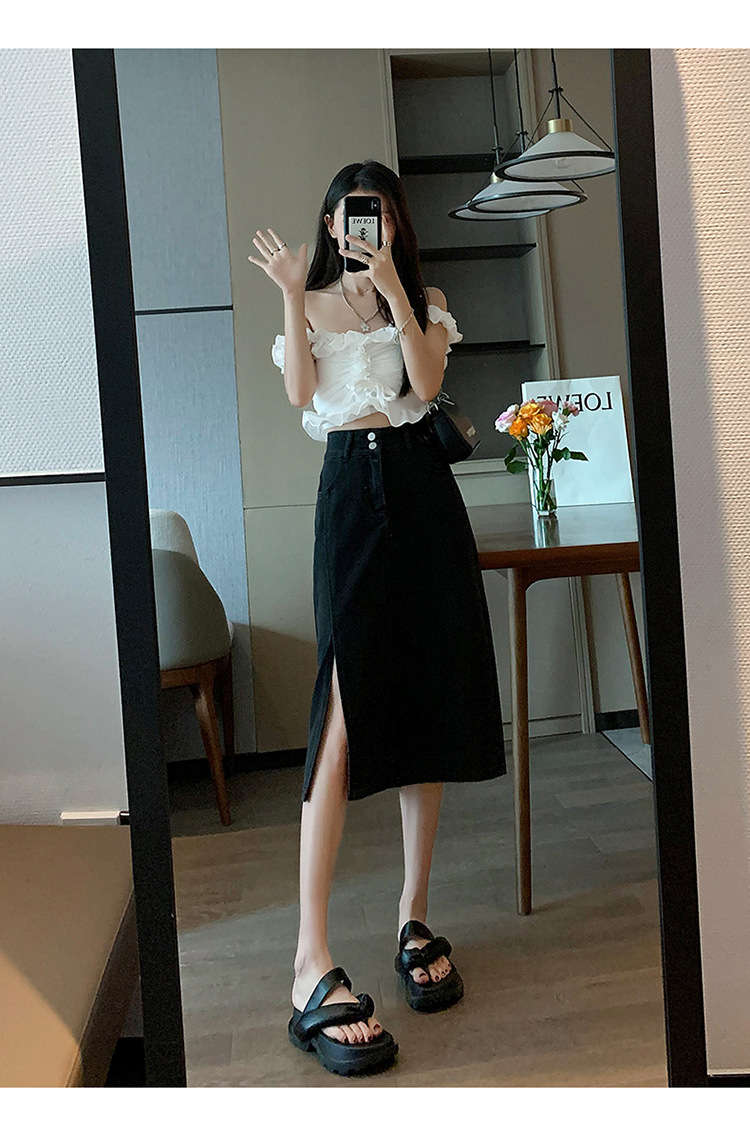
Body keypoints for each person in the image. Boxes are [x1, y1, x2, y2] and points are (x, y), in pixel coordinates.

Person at [248, 160, 507, 1077]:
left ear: (395, 225)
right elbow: (300, 395)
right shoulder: (312, 301)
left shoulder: (422, 300)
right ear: (331, 223)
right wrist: (292, 294)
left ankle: (412, 915)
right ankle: (309, 957)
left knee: (424, 697)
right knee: (345, 708)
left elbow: (426, 386)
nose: (365, 226)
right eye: (353, 215)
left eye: (382, 215)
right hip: (351, 495)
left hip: (422, 490)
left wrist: (396, 290)